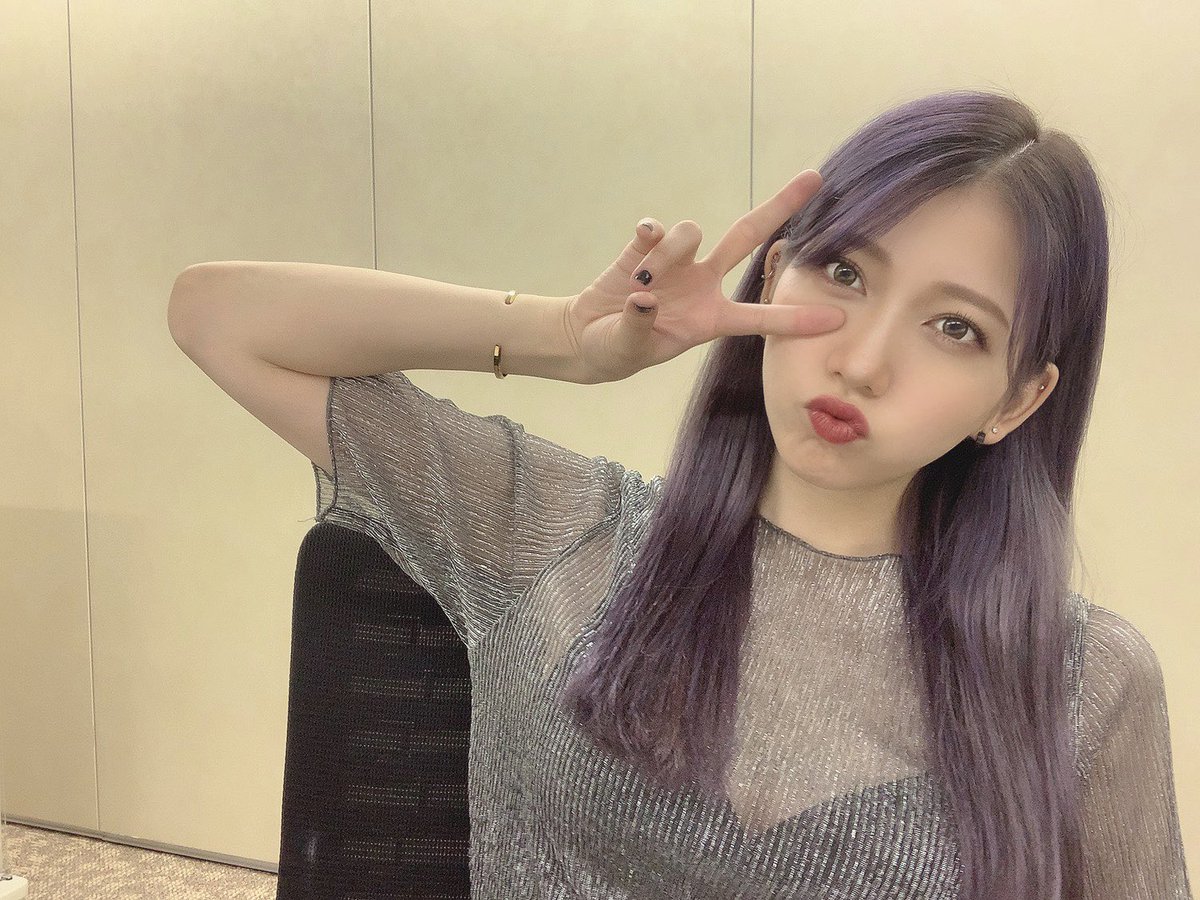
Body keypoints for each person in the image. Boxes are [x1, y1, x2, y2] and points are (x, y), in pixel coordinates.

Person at [169, 89, 1192, 898]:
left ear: (1016, 401)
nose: (864, 360)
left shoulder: (1080, 682)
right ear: (774, 276)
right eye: (845, 274)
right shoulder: (553, 528)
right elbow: (218, 318)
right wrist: (566, 339)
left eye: (954, 327)